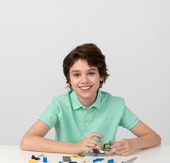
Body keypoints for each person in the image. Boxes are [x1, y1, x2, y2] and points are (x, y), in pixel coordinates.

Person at [20, 43, 161, 156]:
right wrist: (75, 147)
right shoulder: (59, 105)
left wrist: (134, 143)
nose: (84, 80)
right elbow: (27, 141)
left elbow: (155, 137)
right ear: (69, 79)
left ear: (101, 76)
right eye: (76, 75)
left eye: (91, 73)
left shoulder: (115, 105)